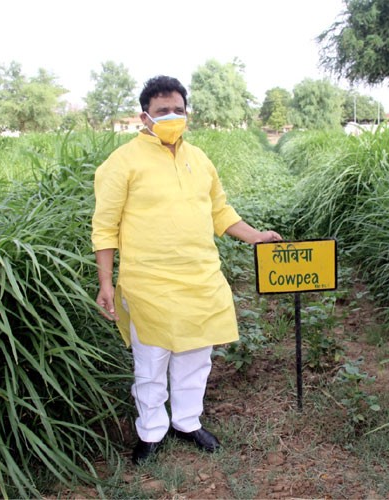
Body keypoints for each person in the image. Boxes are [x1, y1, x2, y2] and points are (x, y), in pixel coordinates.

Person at [91, 75, 282, 465]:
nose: (172, 116)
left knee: (196, 358)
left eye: (178, 109)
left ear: (187, 112)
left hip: (200, 277)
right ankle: (150, 431)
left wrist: (257, 236)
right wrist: (106, 283)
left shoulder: (200, 159)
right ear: (144, 117)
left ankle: (187, 422)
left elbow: (221, 212)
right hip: (148, 283)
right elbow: (104, 226)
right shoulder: (122, 163)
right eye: (163, 111)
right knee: (151, 363)